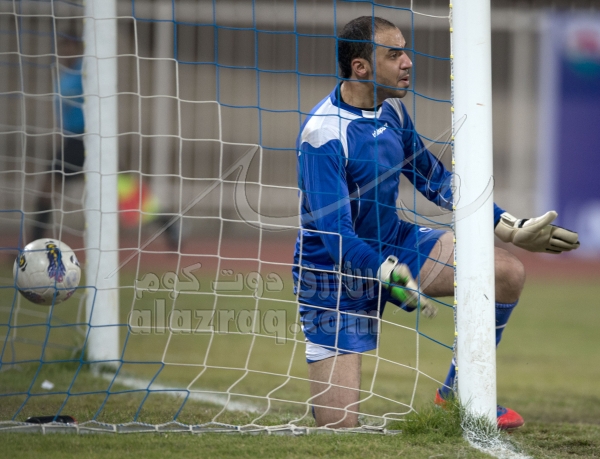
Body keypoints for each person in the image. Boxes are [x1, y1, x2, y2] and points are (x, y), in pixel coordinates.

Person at [293, 16, 580, 430]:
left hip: (395, 242)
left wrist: (507, 226)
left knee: (505, 271)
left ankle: (456, 393)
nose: (408, 61)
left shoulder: (392, 110)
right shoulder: (322, 136)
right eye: (394, 54)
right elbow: (336, 236)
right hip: (334, 274)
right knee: (338, 431)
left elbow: (433, 178)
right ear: (361, 67)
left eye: (405, 51)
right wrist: (385, 272)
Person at [31, 37, 180, 248]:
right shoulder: (64, 76)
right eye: (62, 49)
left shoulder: (87, 72)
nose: (65, 53)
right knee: (49, 191)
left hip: (89, 140)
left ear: (79, 49)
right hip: (73, 142)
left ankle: (169, 223)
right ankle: (169, 223)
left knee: (125, 193)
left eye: (70, 48)